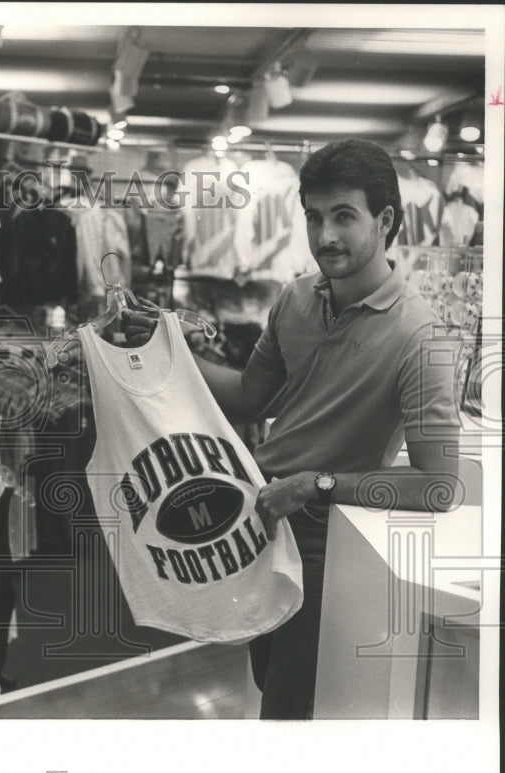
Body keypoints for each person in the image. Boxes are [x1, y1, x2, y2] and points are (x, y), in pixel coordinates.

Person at [123, 138, 462, 719]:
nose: (325, 236)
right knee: (272, 690)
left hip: (331, 558)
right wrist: (164, 348)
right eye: (314, 217)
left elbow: (438, 486)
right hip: (259, 534)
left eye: (344, 217)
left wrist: (315, 484)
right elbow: (250, 396)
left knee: (286, 715)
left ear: (385, 221)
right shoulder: (295, 299)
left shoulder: (421, 337)